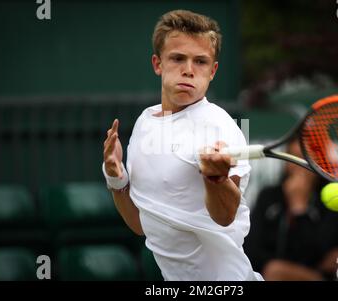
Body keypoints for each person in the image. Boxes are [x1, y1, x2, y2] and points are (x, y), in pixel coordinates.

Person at [102, 10, 263, 281]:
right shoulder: (145, 123)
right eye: (177, 58)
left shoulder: (220, 127)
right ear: (158, 63)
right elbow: (141, 225)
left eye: (200, 61)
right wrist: (116, 179)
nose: (188, 69)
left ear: (213, 71)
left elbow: (225, 217)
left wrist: (216, 178)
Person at [244, 138, 338, 281]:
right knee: (274, 270)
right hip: (268, 275)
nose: (299, 165)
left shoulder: (330, 202)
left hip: (316, 277)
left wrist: (299, 208)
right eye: (292, 158)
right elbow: (252, 249)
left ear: (319, 163)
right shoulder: (268, 196)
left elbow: (328, 254)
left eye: (305, 158)